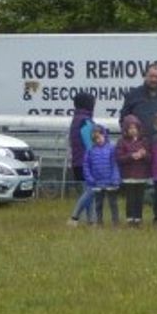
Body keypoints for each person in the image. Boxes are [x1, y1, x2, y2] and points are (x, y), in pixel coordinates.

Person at [119, 63, 157, 139]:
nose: (153, 79)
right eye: (151, 76)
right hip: (139, 145)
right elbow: (123, 120)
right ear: (145, 76)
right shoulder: (133, 94)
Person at [115, 115, 150, 227]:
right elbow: (119, 158)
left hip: (141, 175)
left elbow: (150, 158)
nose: (133, 130)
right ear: (125, 129)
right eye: (130, 128)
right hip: (128, 175)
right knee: (130, 199)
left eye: (135, 127)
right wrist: (131, 156)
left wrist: (144, 155)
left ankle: (138, 219)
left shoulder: (144, 141)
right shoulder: (122, 141)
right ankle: (130, 219)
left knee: (139, 199)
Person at [68, 91, 97, 226]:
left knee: (88, 193)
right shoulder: (85, 121)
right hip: (86, 163)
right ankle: (74, 217)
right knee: (91, 192)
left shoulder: (75, 120)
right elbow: (90, 144)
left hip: (76, 162)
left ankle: (91, 221)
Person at [83, 125, 120, 226]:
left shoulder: (111, 148)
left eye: (99, 137)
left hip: (110, 182)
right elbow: (86, 166)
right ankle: (99, 221)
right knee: (98, 204)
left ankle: (115, 222)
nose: (97, 140)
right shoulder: (90, 150)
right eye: (95, 138)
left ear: (104, 135)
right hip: (97, 182)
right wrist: (90, 178)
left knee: (113, 203)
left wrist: (115, 178)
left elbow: (115, 164)